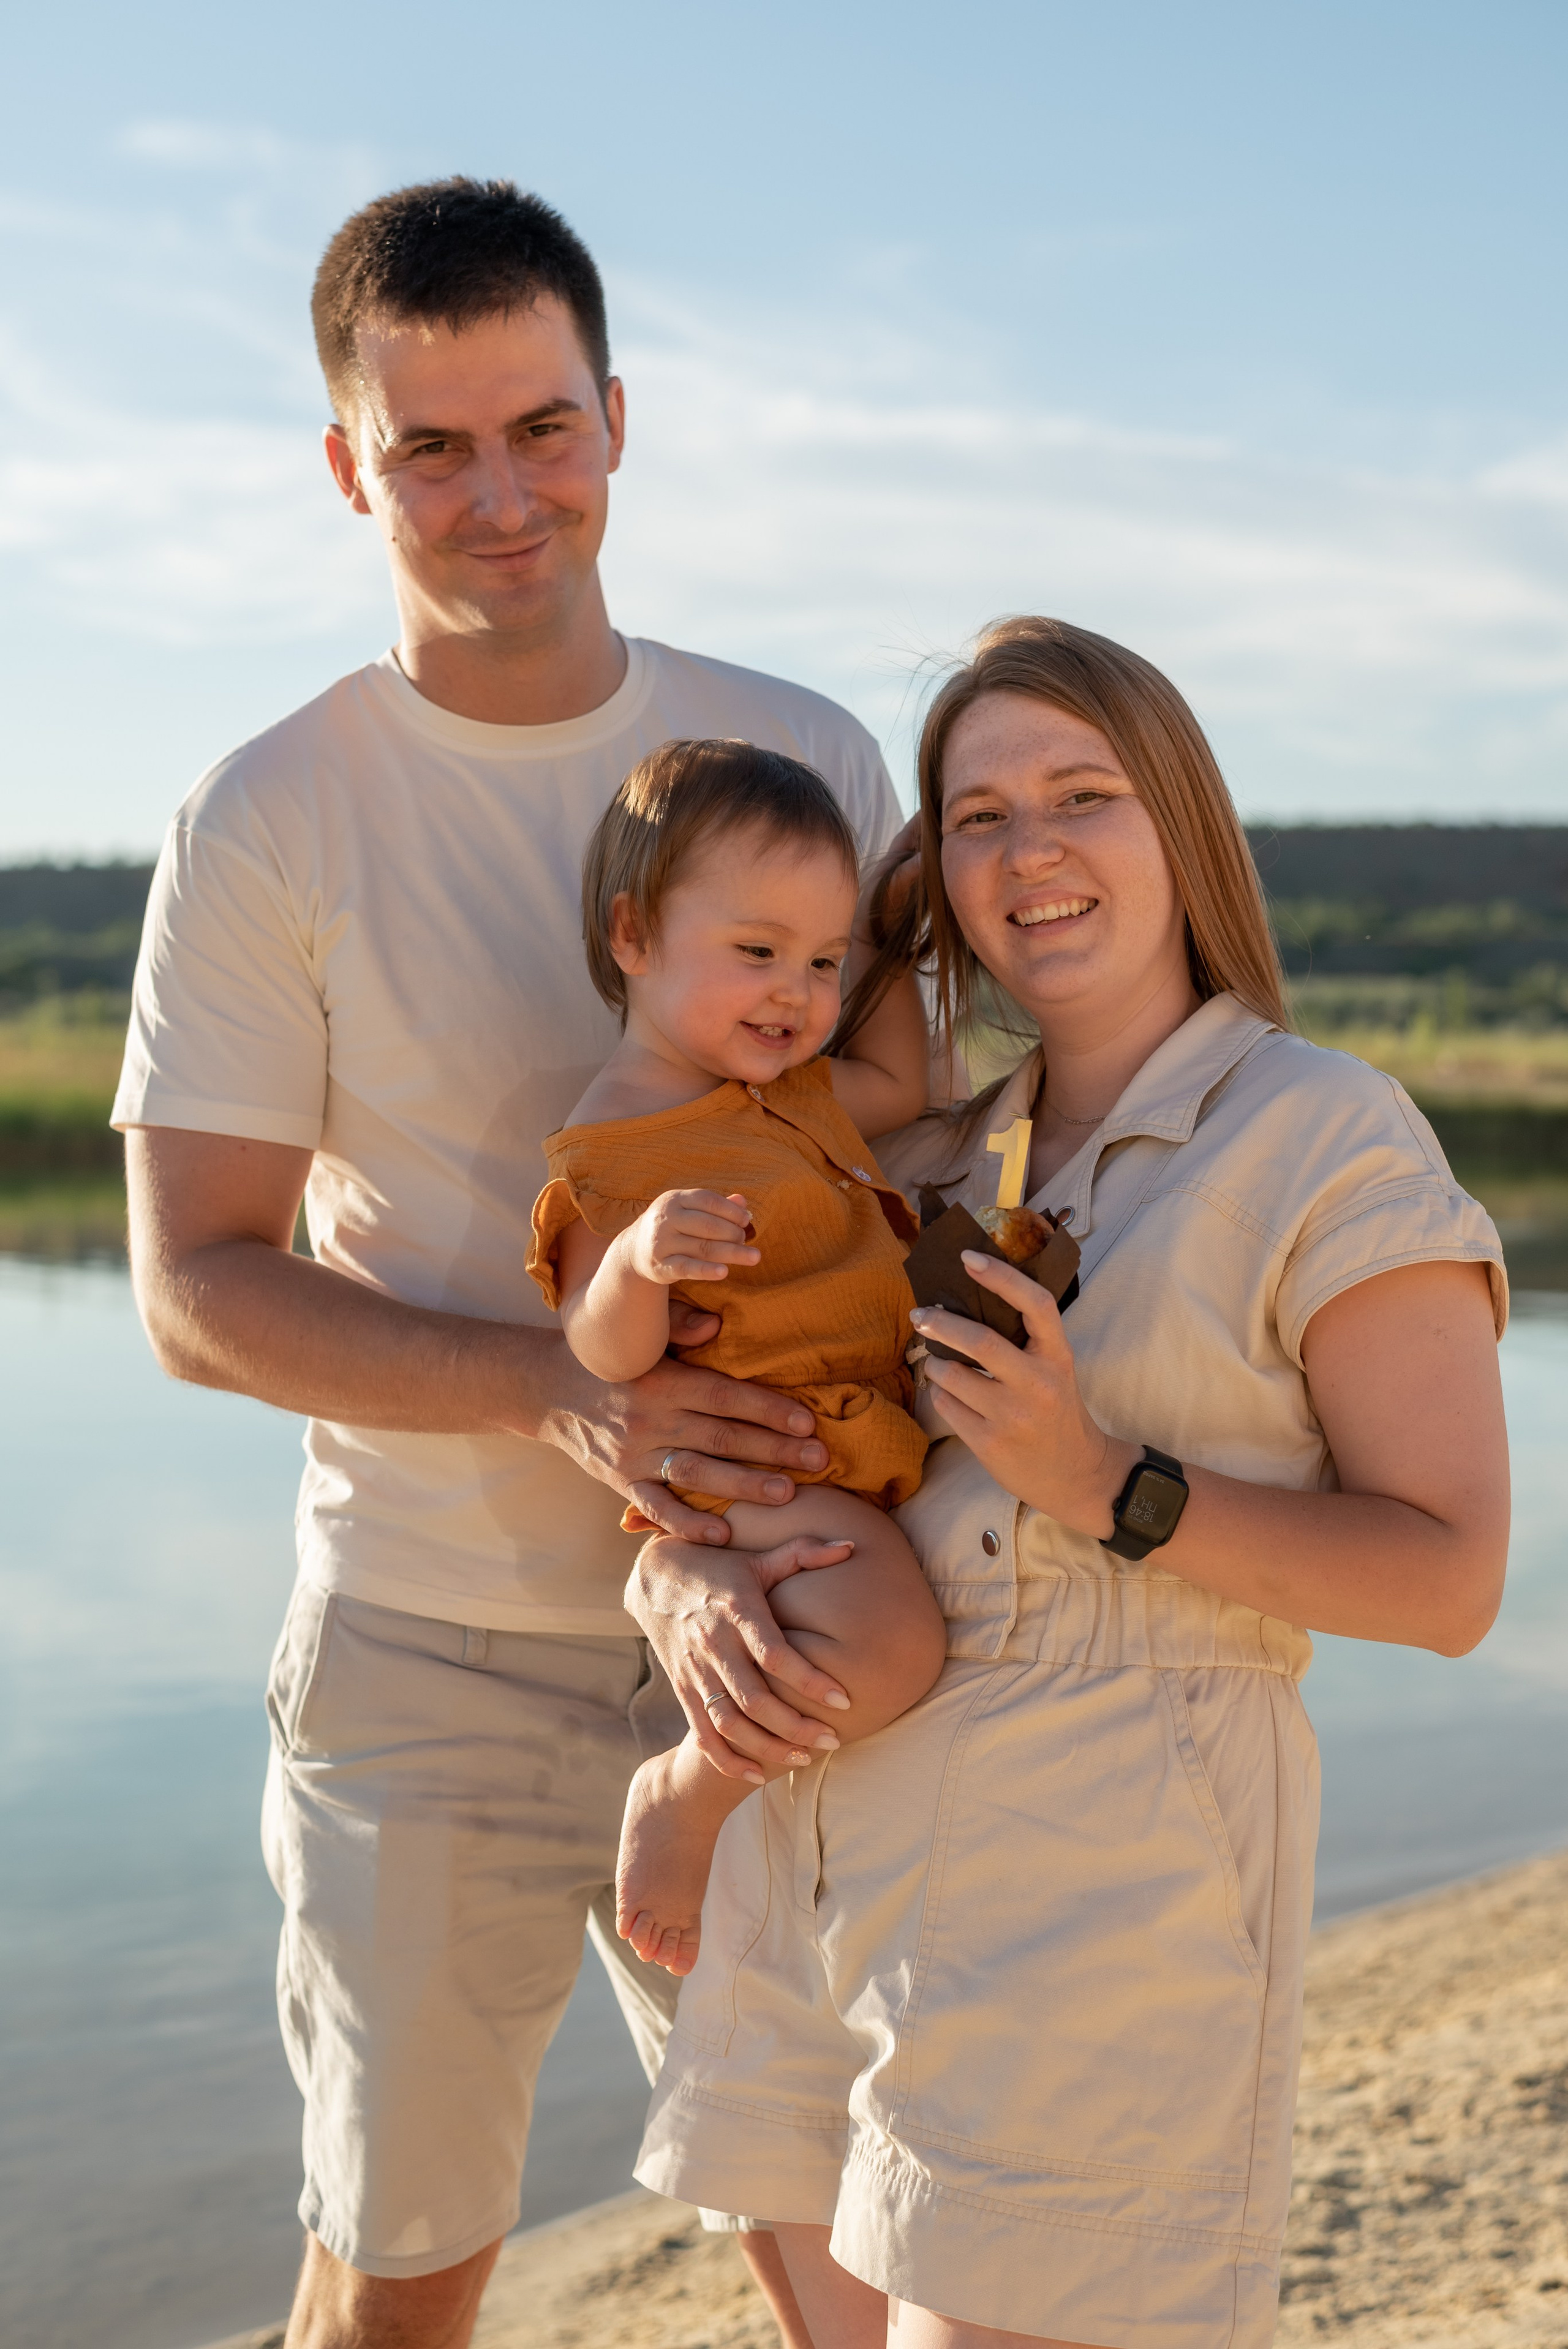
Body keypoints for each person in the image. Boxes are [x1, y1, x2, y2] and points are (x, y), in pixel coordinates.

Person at [113, 176, 899, 2349]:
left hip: (775, 1641)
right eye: (435, 445)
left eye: (540, 426)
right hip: (425, 1657)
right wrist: (570, 1389)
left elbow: (925, 1149)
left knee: (861, 2260)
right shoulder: (271, 808)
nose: (499, 493)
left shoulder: (810, 755)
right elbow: (192, 1284)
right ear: (351, 462)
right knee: (404, 2282)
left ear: (621, 421)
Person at [631, 617, 1512, 2348]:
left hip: (1102, 1897)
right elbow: (735, 1429)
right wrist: (677, 1581)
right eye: (976, 818)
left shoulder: (1328, 1133)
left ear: (1181, 820)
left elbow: (1452, 1579)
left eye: (1082, 794)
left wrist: (1109, 1478)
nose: (1030, 849)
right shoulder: (910, 1160)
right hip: (818, 1864)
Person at [526, 738, 948, 1977]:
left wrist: (887, 929)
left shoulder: (794, 1092)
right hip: (763, 1477)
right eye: (756, 953)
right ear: (633, 936)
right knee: (888, 1652)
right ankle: (689, 1790)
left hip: (842, 1453)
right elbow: (601, 1355)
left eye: (817, 963)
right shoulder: (616, 1143)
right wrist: (637, 1266)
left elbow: (895, 1075)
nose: (795, 993)